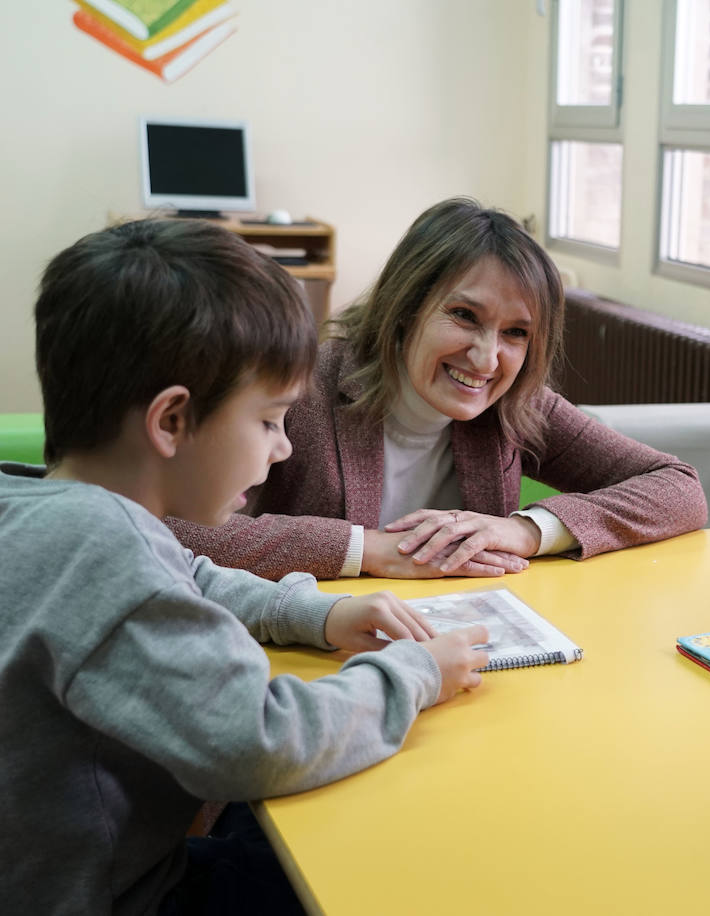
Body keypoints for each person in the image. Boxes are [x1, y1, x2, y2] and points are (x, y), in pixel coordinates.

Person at [0, 219, 491, 914]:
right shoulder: (102, 550)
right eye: (268, 421)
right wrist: (414, 675)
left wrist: (318, 613)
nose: (283, 449)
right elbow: (260, 741)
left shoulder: (43, 505)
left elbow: (185, 574)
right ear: (171, 421)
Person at [170, 198, 708, 581]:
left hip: (461, 647)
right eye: (463, 315)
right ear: (405, 308)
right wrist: (366, 550)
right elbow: (166, 528)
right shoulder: (303, 387)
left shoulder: (516, 403)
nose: (486, 358)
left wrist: (526, 531)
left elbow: (678, 488)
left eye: (516, 333)